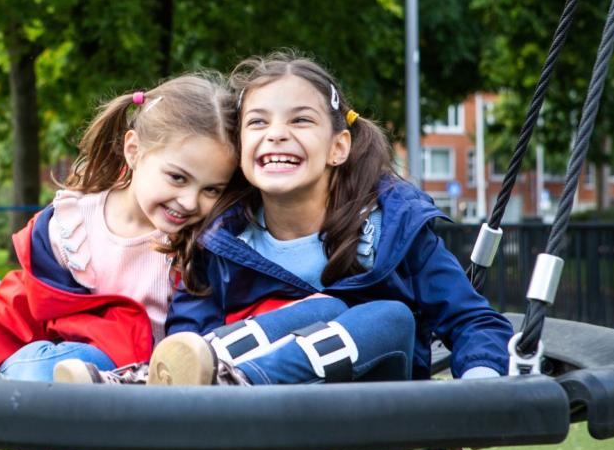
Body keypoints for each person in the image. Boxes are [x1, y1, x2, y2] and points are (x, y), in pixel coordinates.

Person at [135, 50, 511, 389]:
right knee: (320, 309)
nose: (277, 134)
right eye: (258, 122)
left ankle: (247, 382)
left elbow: (472, 320)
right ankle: (176, 383)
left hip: (359, 409)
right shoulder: (222, 241)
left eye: (300, 121)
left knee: (387, 316)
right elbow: (189, 332)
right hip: (246, 416)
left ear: (338, 147)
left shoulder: (394, 231)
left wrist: (476, 396)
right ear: (241, 149)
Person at [0, 73, 238, 383]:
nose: (190, 201)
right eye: (177, 178)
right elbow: (20, 310)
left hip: (142, 381)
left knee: (57, 362)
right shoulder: (73, 226)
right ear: (134, 150)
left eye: (211, 190)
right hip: (67, 358)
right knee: (51, 357)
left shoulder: (201, 245)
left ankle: (11, 383)